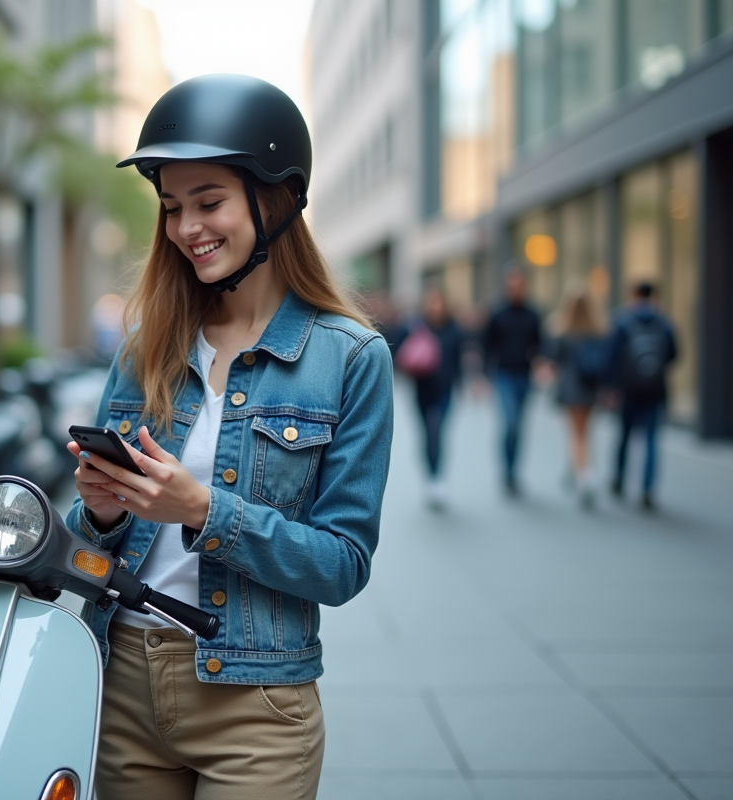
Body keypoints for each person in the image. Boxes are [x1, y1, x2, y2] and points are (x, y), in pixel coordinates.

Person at [62, 74, 394, 800]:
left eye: (209, 202)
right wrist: (102, 513)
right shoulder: (146, 346)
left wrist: (204, 511)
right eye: (172, 207)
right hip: (123, 686)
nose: (187, 227)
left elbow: (343, 564)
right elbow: (87, 542)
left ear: (275, 199)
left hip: (257, 707)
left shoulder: (350, 358)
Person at [605, 280, 677, 511]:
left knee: (624, 436)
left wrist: (612, 387)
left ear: (634, 296)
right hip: (654, 390)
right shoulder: (663, 323)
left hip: (627, 390)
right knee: (651, 440)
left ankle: (619, 478)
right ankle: (648, 489)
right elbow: (673, 354)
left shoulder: (623, 321)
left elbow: (612, 356)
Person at [481, 266, 543, 495]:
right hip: (503, 376)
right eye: (512, 284)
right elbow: (487, 346)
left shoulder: (533, 314)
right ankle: (507, 471)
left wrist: (541, 366)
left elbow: (539, 345)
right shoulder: (498, 314)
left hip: (524, 376)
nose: (516, 288)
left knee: (519, 427)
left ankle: (514, 471)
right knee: (510, 424)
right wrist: (484, 376)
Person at [546, 281, 608, 508]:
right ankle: (577, 469)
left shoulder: (561, 329)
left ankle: (584, 476)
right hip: (590, 389)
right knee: (585, 433)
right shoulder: (598, 329)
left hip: (570, 387)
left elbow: (553, 360)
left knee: (575, 434)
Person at [404, 286, 463, 508]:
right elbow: (401, 353)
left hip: (445, 390)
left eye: (439, 302)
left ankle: (437, 478)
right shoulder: (416, 326)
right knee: (427, 434)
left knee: (437, 432)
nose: (435, 306)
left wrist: (463, 384)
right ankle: (430, 476)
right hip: (422, 389)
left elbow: (458, 358)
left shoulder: (453, 328)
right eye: (432, 302)